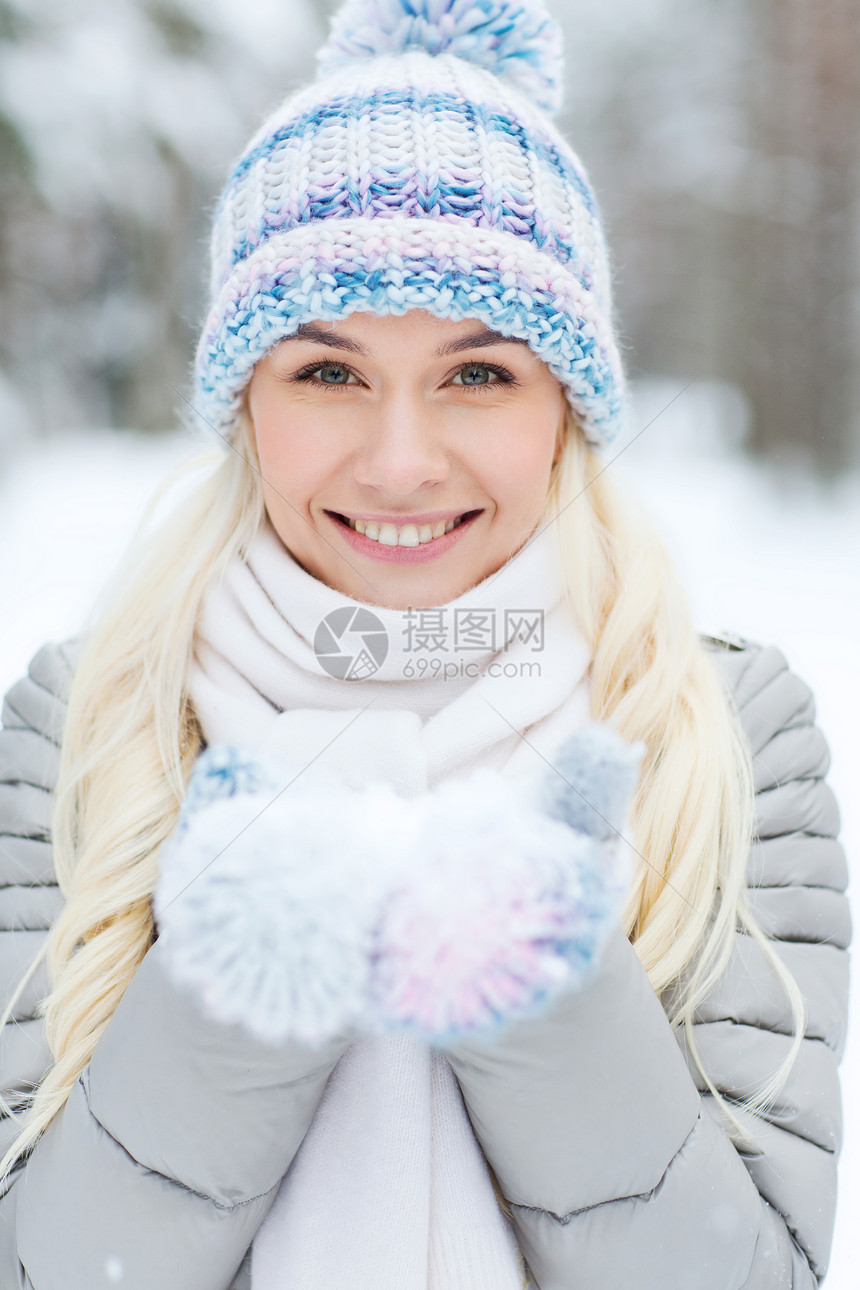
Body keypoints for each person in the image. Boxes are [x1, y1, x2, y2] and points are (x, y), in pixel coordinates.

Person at [0, 0, 851, 1287]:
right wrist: (230, 1004)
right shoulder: (87, 727)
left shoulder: (719, 730)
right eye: (327, 374)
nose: (400, 464)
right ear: (244, 402)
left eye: (478, 375)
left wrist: (543, 988)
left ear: (567, 404)